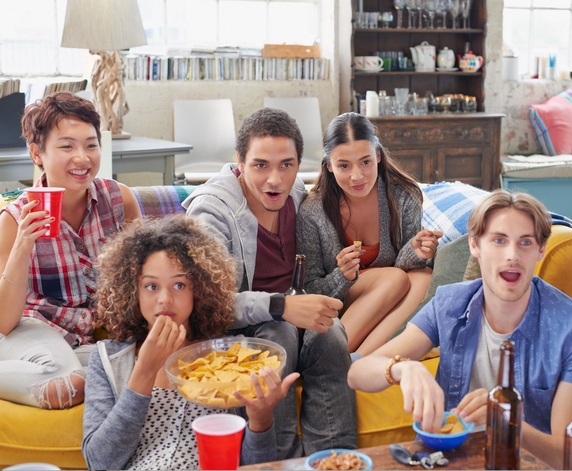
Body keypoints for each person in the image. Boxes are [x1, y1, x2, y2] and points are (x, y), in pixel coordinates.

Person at [348, 189, 572, 468]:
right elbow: (357, 372)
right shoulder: (449, 303)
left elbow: (568, 456)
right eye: (498, 240)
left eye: (525, 242)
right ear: (475, 246)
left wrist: (508, 422)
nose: (512, 256)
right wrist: (403, 368)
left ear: (540, 250)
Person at [183, 107, 357, 459]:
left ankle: (335, 459)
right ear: (240, 162)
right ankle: (277, 461)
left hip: (298, 314)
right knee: (278, 334)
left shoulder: (297, 195)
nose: (275, 180)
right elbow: (206, 306)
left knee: (332, 332)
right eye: (260, 165)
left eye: (287, 165)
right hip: (244, 331)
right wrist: (281, 307)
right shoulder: (211, 213)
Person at [82, 215, 297, 469]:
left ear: (199, 288)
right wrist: (145, 371)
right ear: (133, 290)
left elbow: (256, 465)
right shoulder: (108, 359)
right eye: (151, 286)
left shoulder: (231, 359)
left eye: (179, 285)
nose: (165, 299)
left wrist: (261, 421)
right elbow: (99, 463)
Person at [0, 91, 141, 409]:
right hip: (32, 328)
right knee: (61, 375)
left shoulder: (120, 200)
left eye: (91, 145)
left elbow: (144, 274)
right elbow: (5, 322)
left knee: (144, 361)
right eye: (67, 146)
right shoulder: (14, 220)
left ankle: (80, 373)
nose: (83, 158)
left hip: (90, 335)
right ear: (37, 153)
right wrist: (24, 246)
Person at [297, 112, 442, 355]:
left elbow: (404, 266)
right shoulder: (312, 213)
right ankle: (332, 354)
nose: (357, 176)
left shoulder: (404, 196)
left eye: (365, 162)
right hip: (337, 308)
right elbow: (308, 290)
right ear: (329, 166)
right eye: (344, 165)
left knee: (424, 276)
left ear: (378, 156)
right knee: (395, 278)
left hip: (387, 301)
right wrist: (342, 275)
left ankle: (365, 359)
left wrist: (415, 251)